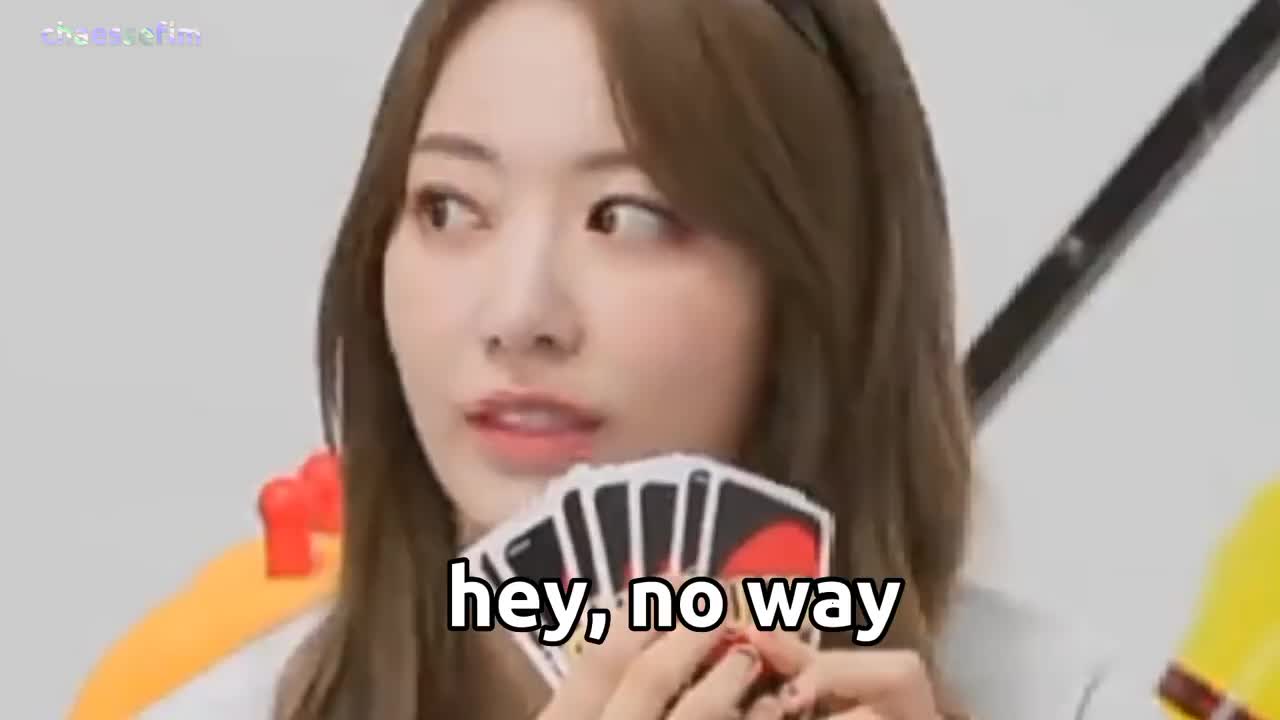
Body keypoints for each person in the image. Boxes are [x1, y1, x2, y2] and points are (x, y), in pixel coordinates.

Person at [73, 0, 1166, 718]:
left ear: (815, 285)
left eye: (629, 217)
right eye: (449, 206)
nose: (518, 315)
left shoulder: (1068, 699)